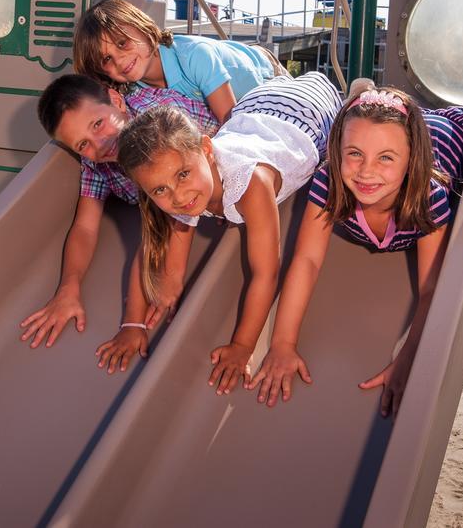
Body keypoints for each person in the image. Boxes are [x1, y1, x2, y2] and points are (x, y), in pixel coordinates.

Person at [248, 80, 463, 417]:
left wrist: (408, 360)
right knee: (391, 134)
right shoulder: (329, 182)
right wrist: (283, 343)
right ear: (337, 152)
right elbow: (307, 260)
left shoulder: (427, 196)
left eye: (385, 159)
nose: (366, 170)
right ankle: (368, 95)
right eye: (354, 154)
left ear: (410, 161)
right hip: (411, 129)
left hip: (453, 134)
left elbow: (432, 288)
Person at [96, 71, 343, 390]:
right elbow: (166, 256)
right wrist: (134, 322)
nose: (178, 197)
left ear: (207, 149)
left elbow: (265, 274)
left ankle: (348, 91)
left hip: (310, 112)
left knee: (337, 121)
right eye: (159, 191)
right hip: (254, 111)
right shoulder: (181, 188)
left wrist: (243, 346)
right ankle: (280, 78)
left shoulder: (252, 183)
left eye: (183, 174)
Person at [18, 74, 218, 350]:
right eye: (83, 145)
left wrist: (166, 280)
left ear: (115, 100)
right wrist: (69, 286)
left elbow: (176, 213)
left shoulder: (161, 125)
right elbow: (85, 228)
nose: (99, 144)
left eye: (98, 124)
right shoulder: (98, 165)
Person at [73, 0, 277, 124]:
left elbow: (230, 124)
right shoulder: (135, 93)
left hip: (265, 72)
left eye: (122, 43)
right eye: (107, 59)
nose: (119, 61)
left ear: (143, 28)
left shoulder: (195, 56)